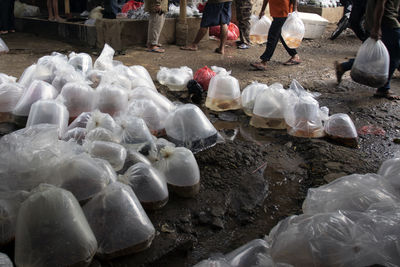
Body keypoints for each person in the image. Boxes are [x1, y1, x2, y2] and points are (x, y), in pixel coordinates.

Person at [335, 0, 400, 100]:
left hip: (378, 21)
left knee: (375, 56)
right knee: (394, 56)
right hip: (386, 22)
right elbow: (380, 3)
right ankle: (383, 89)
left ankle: (343, 66)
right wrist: (376, 27)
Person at [250, 0, 300, 70]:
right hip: (276, 12)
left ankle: (264, 61)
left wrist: (295, 10)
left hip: (283, 11)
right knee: (280, 35)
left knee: (272, 36)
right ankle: (295, 56)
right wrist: (262, 10)